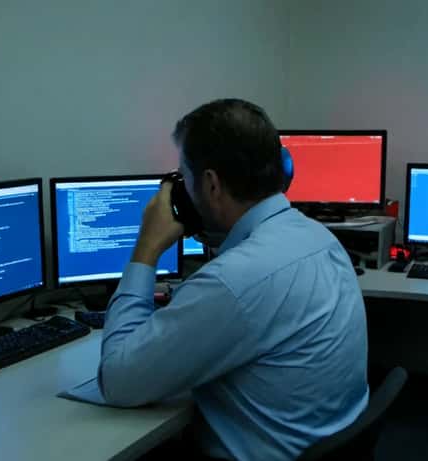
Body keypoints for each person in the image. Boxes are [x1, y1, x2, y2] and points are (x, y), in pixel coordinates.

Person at [98, 99, 369, 460]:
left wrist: (147, 247)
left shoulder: (232, 282)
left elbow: (117, 381)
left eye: (184, 177)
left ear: (211, 184)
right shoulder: (319, 237)